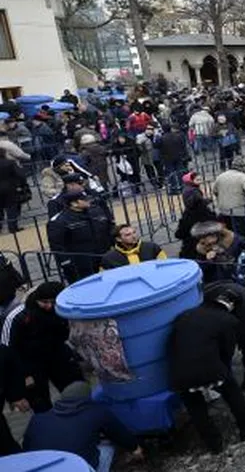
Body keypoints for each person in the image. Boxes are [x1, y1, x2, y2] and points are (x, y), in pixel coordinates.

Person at [167, 288, 245, 452]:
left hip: (179, 371)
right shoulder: (227, 320)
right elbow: (227, 351)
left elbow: (173, 343)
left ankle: (213, 443)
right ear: (231, 305)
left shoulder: (186, 315)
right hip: (209, 367)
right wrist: (222, 369)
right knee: (232, 391)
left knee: (195, 406)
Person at [21, 381, 142, 472]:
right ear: (87, 399)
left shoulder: (38, 419)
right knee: (108, 447)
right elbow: (119, 433)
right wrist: (135, 448)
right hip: (77, 468)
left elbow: (26, 450)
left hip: (41, 468)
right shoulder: (97, 412)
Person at [1, 282, 84, 413]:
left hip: (56, 353)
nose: (49, 306)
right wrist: (21, 379)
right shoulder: (17, 316)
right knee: (41, 405)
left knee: (77, 391)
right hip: (29, 363)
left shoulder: (64, 307)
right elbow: (6, 350)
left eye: (52, 302)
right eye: (44, 302)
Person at [46, 191, 114, 282]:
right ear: (74, 203)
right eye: (84, 199)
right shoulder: (60, 221)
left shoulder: (96, 211)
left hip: (102, 255)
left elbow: (108, 228)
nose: (88, 201)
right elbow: (57, 245)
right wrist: (66, 263)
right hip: (80, 262)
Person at [99, 223, 166, 270]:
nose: (134, 236)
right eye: (128, 235)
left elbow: (165, 266)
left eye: (134, 232)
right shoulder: (109, 259)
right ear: (118, 239)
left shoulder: (153, 248)